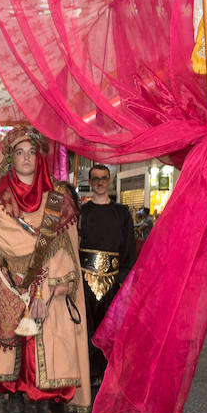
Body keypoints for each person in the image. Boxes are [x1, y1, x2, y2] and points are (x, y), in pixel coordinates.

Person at [0, 126, 91, 413]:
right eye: (19, 152)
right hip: (7, 280)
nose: (26, 158)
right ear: (10, 158)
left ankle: (43, 404)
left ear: (40, 157)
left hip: (46, 283)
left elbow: (64, 248)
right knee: (10, 341)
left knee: (45, 345)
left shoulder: (58, 197)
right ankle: (13, 395)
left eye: (32, 152)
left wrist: (53, 290)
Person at [78, 164, 136, 388]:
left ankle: (108, 372)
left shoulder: (122, 214)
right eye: (96, 179)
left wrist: (124, 278)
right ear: (91, 182)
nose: (100, 182)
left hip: (114, 280)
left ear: (109, 181)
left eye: (104, 178)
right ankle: (90, 371)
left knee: (111, 327)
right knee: (88, 327)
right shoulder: (83, 213)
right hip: (85, 279)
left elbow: (129, 248)